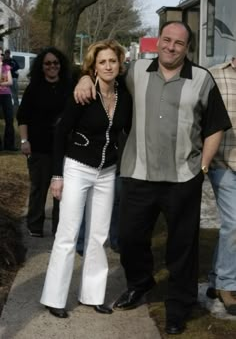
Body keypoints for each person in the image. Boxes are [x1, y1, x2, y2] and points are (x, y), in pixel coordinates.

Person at [74, 21, 232, 335]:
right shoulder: (134, 72)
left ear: (188, 48)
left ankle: (178, 306)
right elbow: (103, 68)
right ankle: (140, 282)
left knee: (182, 248)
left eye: (179, 43)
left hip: (183, 178)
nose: (171, 47)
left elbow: (215, 126)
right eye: (166, 40)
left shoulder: (202, 79)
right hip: (137, 174)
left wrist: (200, 168)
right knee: (130, 239)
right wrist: (83, 76)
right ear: (158, 41)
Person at [40, 39, 132, 319]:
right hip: (77, 167)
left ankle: (93, 295)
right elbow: (60, 133)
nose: (108, 66)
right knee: (68, 235)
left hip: (106, 172)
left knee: (98, 235)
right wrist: (57, 175)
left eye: (112, 61)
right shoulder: (83, 93)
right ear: (94, 65)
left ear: (120, 64)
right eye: (102, 62)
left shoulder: (124, 94)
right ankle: (54, 297)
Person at [17, 47, 71, 237]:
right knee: (39, 188)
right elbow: (22, 117)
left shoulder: (68, 87)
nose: (52, 66)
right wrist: (24, 141)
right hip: (39, 146)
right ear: (42, 66)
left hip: (64, 147)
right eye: (48, 63)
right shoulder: (34, 88)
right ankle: (35, 225)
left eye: (55, 63)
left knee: (62, 191)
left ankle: (59, 228)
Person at [205, 57, 236, 315]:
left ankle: (215, 279)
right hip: (223, 164)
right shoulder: (214, 75)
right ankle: (227, 286)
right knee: (235, 223)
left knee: (230, 225)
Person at [0, 53, 16, 151]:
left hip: (6, 95)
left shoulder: (6, 67)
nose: (1, 55)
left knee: (9, 119)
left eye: (1, 54)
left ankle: (9, 145)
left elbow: (10, 82)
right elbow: (6, 80)